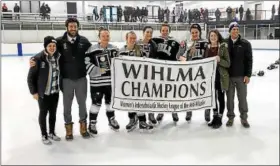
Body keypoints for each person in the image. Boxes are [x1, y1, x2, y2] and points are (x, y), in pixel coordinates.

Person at [30, 18, 92, 140]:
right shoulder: (59, 41)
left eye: (75, 26)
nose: (73, 28)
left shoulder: (84, 41)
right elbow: (48, 50)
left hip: (81, 79)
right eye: (70, 26)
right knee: (67, 106)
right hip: (66, 80)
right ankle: (68, 130)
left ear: (78, 27)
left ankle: (83, 127)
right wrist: (34, 58)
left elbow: (93, 53)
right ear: (67, 27)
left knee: (82, 104)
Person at [84, 27, 120, 136]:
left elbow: (120, 64)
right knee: (96, 104)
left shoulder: (114, 49)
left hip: (110, 83)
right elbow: (85, 63)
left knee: (110, 103)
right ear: (99, 37)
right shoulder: (91, 49)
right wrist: (98, 71)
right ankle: (92, 123)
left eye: (107, 36)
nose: (105, 38)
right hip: (97, 83)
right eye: (103, 36)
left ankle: (111, 119)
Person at [27, 36, 61, 145]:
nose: (52, 48)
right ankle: (44, 134)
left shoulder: (58, 56)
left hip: (55, 92)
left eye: (54, 46)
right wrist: (34, 92)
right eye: (49, 46)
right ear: (45, 46)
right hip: (43, 93)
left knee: (53, 114)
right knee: (43, 114)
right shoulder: (37, 59)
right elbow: (30, 78)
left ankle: (51, 132)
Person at [119, 31, 154, 132]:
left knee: (139, 101)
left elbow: (146, 64)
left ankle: (142, 121)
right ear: (126, 38)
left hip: (139, 82)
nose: (133, 40)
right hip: (126, 81)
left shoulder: (140, 51)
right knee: (130, 101)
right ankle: (132, 120)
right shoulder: (120, 51)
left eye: (134, 38)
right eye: (131, 38)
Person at [150, 22, 182, 124]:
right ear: (160, 31)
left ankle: (174, 111)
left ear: (169, 31)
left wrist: (183, 48)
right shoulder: (155, 40)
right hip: (158, 70)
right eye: (163, 30)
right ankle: (161, 111)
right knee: (160, 92)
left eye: (166, 30)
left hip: (171, 70)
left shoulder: (175, 41)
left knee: (172, 91)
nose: (164, 32)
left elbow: (180, 55)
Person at [179, 23, 210, 122]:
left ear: (200, 32)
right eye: (192, 32)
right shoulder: (185, 42)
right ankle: (189, 111)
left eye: (196, 32)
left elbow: (210, 54)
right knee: (190, 92)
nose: (194, 34)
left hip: (203, 72)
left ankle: (207, 111)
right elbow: (178, 55)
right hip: (190, 72)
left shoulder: (205, 42)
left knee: (206, 91)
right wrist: (184, 55)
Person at [225, 22, 252, 128]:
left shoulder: (245, 43)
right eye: (233, 29)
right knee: (230, 99)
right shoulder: (225, 43)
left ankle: (244, 118)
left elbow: (249, 60)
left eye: (237, 29)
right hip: (229, 76)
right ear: (230, 31)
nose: (235, 31)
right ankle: (230, 117)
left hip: (241, 76)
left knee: (242, 98)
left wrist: (248, 75)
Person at [204, 30, 230, 129]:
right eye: (211, 36)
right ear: (209, 37)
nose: (213, 37)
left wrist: (220, 60)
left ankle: (219, 117)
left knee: (220, 97)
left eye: (215, 35)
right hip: (210, 77)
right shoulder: (207, 48)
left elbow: (228, 63)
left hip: (221, 77)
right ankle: (214, 116)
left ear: (218, 37)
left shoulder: (223, 47)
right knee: (213, 99)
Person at [136, 26, 158, 126]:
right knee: (140, 95)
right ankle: (140, 116)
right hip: (139, 74)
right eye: (147, 32)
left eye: (151, 32)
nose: (149, 34)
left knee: (151, 94)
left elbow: (156, 58)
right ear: (143, 32)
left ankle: (151, 114)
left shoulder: (153, 44)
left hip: (150, 74)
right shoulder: (137, 43)